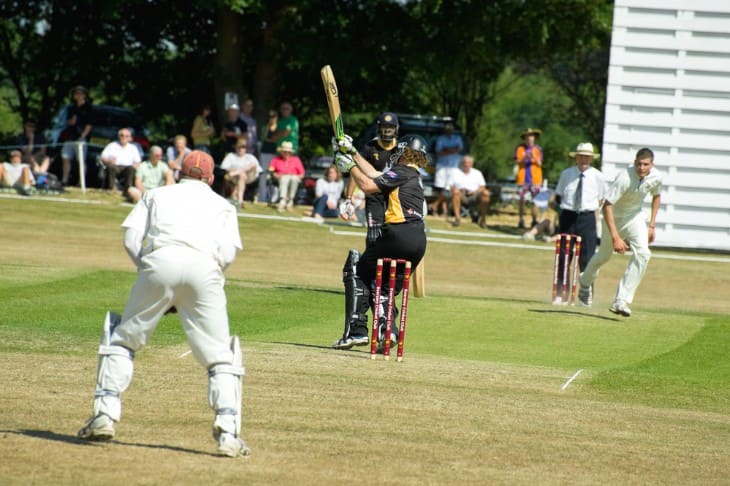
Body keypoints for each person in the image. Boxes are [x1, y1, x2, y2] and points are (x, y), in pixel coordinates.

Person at [77, 150, 250, 457]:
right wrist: (201, 280)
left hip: (160, 260)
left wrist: (152, 274)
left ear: (179, 172)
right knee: (220, 355)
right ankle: (228, 432)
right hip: (205, 268)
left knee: (123, 339)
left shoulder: (156, 194)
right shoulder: (223, 205)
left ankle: (104, 416)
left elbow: (131, 240)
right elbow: (228, 254)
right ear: (211, 178)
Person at [332, 134, 428, 350]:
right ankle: (388, 330)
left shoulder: (402, 171)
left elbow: (367, 185)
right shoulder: (413, 176)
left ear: (403, 152)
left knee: (357, 269)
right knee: (384, 285)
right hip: (419, 242)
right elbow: (376, 174)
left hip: (398, 234)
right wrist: (353, 152)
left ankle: (356, 331)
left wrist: (348, 168)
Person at [578, 147, 662, 317]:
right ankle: (584, 283)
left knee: (644, 254)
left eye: (645, 164)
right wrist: (616, 237)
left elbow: (656, 196)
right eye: (638, 164)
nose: (641, 168)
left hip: (634, 218)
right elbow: (607, 206)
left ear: (651, 164)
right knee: (603, 256)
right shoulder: (624, 177)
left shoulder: (656, 177)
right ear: (634, 162)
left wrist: (651, 226)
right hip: (613, 219)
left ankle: (621, 300)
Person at [553, 142, 605, 304]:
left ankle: (585, 296)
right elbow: (559, 195)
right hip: (568, 216)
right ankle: (561, 294)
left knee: (587, 259)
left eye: (587, 157)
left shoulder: (598, 176)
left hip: (587, 218)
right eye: (581, 156)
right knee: (564, 256)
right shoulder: (567, 174)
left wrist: (589, 211)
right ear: (576, 157)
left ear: (591, 159)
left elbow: (601, 198)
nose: (584, 159)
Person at [340, 112, 400, 246]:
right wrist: (348, 199)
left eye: (390, 126)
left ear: (396, 128)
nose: (387, 130)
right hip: (375, 196)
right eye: (384, 126)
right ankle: (370, 265)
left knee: (394, 235)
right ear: (379, 127)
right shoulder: (370, 147)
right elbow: (355, 172)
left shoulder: (401, 149)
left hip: (395, 197)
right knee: (373, 235)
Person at [60, 85, 94, 186]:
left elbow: (89, 124)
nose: (78, 96)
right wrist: (72, 121)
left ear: (84, 95)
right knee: (65, 157)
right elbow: (67, 122)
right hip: (70, 136)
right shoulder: (71, 108)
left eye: (80, 94)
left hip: (81, 137)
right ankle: (64, 179)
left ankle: (81, 181)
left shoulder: (88, 108)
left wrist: (83, 136)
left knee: (81, 160)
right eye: (76, 94)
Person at [429, 120, 464, 217]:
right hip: (442, 166)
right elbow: (439, 152)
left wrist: (446, 149)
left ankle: (435, 205)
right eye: (447, 128)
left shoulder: (457, 138)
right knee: (442, 189)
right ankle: (443, 210)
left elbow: (459, 149)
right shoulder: (440, 139)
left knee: (448, 188)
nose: (449, 130)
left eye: (450, 128)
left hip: (453, 167)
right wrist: (452, 149)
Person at [514, 127, 544, 229]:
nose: (530, 138)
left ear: (534, 137)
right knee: (521, 200)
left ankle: (534, 221)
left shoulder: (538, 149)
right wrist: (524, 157)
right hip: (522, 179)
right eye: (528, 136)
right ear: (525, 138)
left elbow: (540, 163)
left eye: (531, 136)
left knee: (535, 201)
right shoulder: (520, 148)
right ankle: (521, 220)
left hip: (535, 180)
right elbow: (516, 161)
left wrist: (533, 157)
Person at [449, 155, 490, 228]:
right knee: (455, 193)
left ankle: (483, 220)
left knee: (486, 193)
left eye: (468, 163)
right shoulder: (455, 172)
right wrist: (458, 190)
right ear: (462, 163)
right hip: (461, 194)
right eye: (465, 162)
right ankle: (457, 219)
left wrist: (474, 191)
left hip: (475, 194)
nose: (466, 164)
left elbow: (482, 187)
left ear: (472, 164)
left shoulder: (477, 173)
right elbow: (450, 186)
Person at [220, 137, 261, 209]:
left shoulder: (250, 157)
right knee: (242, 175)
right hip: (234, 178)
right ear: (236, 148)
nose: (241, 149)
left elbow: (257, 169)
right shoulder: (231, 156)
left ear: (246, 149)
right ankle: (240, 199)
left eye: (243, 147)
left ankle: (237, 198)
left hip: (250, 177)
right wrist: (238, 172)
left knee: (251, 166)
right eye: (239, 147)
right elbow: (224, 167)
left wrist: (236, 172)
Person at [100, 127, 141, 197]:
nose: (124, 137)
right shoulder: (112, 145)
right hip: (114, 167)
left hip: (127, 168)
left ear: (129, 138)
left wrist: (134, 166)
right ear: (118, 136)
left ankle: (127, 191)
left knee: (131, 169)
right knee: (111, 167)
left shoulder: (133, 148)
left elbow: (138, 162)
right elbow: (102, 157)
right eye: (122, 135)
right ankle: (111, 189)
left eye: (126, 136)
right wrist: (108, 161)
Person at [269, 141, 304, 211]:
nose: (287, 153)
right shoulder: (276, 160)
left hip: (293, 177)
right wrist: (275, 174)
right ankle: (283, 200)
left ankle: (290, 200)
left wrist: (298, 177)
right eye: (285, 151)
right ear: (281, 152)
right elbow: (271, 169)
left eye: (288, 152)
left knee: (293, 179)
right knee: (284, 178)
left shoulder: (296, 160)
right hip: (281, 177)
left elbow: (302, 173)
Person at [256, 109, 279, 204]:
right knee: (263, 174)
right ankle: (262, 197)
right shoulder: (265, 127)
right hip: (265, 152)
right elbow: (264, 138)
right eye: (270, 117)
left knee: (273, 175)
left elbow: (276, 140)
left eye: (273, 116)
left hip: (275, 153)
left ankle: (273, 197)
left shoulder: (279, 128)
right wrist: (268, 127)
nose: (271, 118)